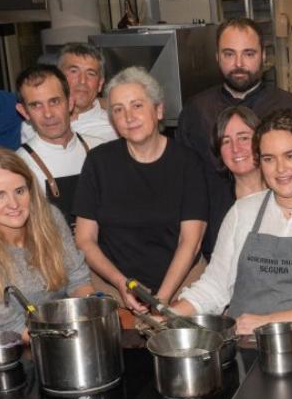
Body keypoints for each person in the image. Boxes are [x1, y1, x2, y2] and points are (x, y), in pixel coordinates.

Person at [171, 110, 292, 336]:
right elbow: (215, 285)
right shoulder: (242, 213)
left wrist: (269, 321)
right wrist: (171, 314)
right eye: (269, 159)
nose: (280, 169)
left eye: (290, 156)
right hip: (244, 347)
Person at [73, 67, 207, 312]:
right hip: (115, 288)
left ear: (158, 110)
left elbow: (191, 241)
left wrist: (161, 301)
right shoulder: (98, 162)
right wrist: (121, 283)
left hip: (181, 288)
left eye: (137, 106)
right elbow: (84, 239)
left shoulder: (188, 162)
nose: (128, 116)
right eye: (118, 110)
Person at [0, 148, 93, 337]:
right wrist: (70, 337)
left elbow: (78, 279)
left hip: (68, 326)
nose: (14, 204)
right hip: (21, 345)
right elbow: (14, 326)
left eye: (19, 191)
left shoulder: (50, 218)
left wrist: (94, 314)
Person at [175, 18, 292, 156]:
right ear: (217, 57)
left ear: (263, 56)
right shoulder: (196, 112)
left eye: (248, 54)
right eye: (229, 54)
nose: (239, 63)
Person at [14, 64, 89, 227]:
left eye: (54, 101)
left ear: (70, 103)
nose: (48, 114)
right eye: (36, 105)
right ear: (24, 112)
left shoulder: (100, 149)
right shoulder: (17, 166)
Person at [21, 42, 117, 148]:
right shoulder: (33, 124)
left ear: (100, 84)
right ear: (58, 78)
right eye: (74, 71)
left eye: (91, 74)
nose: (82, 81)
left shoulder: (114, 127)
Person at [204, 105, 265, 260]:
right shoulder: (212, 204)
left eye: (244, 138)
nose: (236, 148)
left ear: (261, 141)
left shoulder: (284, 194)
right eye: (226, 141)